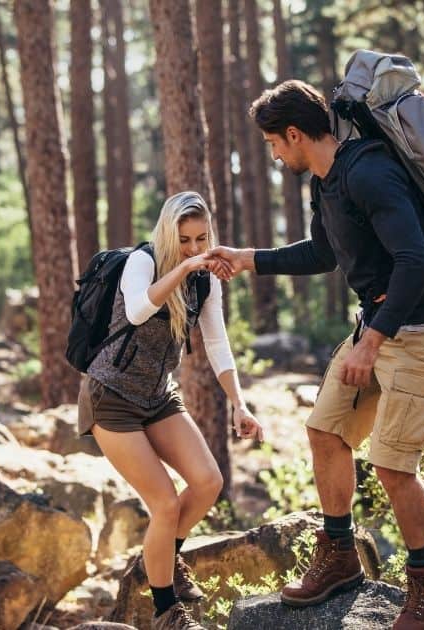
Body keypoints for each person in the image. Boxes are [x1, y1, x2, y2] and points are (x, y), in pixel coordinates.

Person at [208, 80, 424, 630]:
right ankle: (341, 555)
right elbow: (324, 253)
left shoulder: (370, 174)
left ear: (296, 134)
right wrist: (246, 258)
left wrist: (370, 344)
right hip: (378, 324)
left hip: (423, 333)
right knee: (325, 431)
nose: (274, 155)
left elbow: (415, 262)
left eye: (274, 144)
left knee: (393, 466)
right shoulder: (326, 184)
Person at [79, 191, 263, 630]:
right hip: (112, 397)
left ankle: (165, 556)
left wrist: (239, 403)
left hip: (158, 395)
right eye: (185, 239)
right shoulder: (140, 263)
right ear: (167, 233)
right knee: (163, 502)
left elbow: (217, 344)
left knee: (207, 481)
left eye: (202, 239)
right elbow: (141, 311)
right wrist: (181, 267)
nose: (196, 249)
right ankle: (166, 612)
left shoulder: (206, 279)